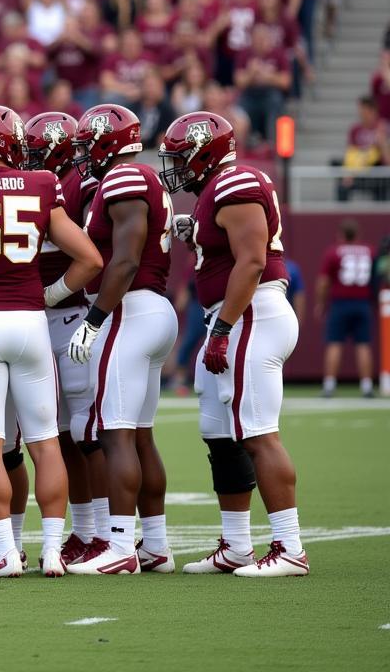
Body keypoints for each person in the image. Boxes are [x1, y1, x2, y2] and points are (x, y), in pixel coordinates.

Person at [0, 106, 102, 577]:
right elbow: (89, 258)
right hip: (31, 322)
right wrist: (48, 293)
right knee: (46, 440)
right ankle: (52, 550)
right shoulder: (42, 183)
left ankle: (6, 551)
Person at [160, 111, 308, 577]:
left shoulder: (235, 184)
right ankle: (237, 545)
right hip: (233, 315)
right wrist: (195, 233)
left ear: (205, 152)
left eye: (183, 156)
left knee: (258, 434)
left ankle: (289, 547)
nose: (177, 165)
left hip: (249, 315)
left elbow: (251, 263)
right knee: (220, 434)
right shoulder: (218, 188)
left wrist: (223, 329)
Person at [64, 103, 178, 575]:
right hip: (152, 310)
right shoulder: (143, 177)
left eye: (89, 144)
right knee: (141, 437)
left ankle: (120, 547)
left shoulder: (124, 178)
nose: (85, 155)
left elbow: (126, 261)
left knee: (114, 434)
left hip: (130, 309)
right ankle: (155, 544)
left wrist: (94, 318)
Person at [25, 112, 103, 567]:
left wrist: (52, 292)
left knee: (87, 431)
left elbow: (94, 256)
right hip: (37, 320)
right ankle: (85, 529)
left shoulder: (83, 186)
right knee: (58, 433)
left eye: (35, 151)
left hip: (70, 313)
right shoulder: (29, 185)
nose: (26, 160)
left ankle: (111, 533)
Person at [315, 221, 376, 399]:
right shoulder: (370, 251)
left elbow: (324, 282)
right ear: (357, 234)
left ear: (341, 234)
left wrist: (321, 303)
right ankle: (366, 386)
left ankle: (329, 385)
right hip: (362, 303)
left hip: (340, 303)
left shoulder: (334, 252)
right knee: (363, 345)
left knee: (334, 343)